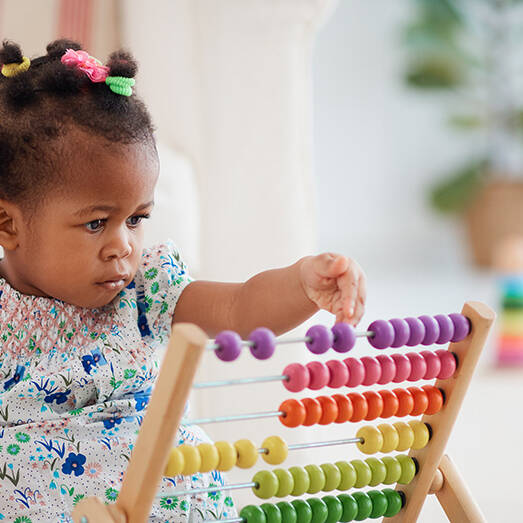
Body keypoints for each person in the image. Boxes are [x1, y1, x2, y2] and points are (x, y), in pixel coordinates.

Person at [0, 39, 366, 522]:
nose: (123, 245)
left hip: (170, 501)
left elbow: (241, 308)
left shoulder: (145, 288)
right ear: (9, 226)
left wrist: (302, 284)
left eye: (136, 219)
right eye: (96, 224)